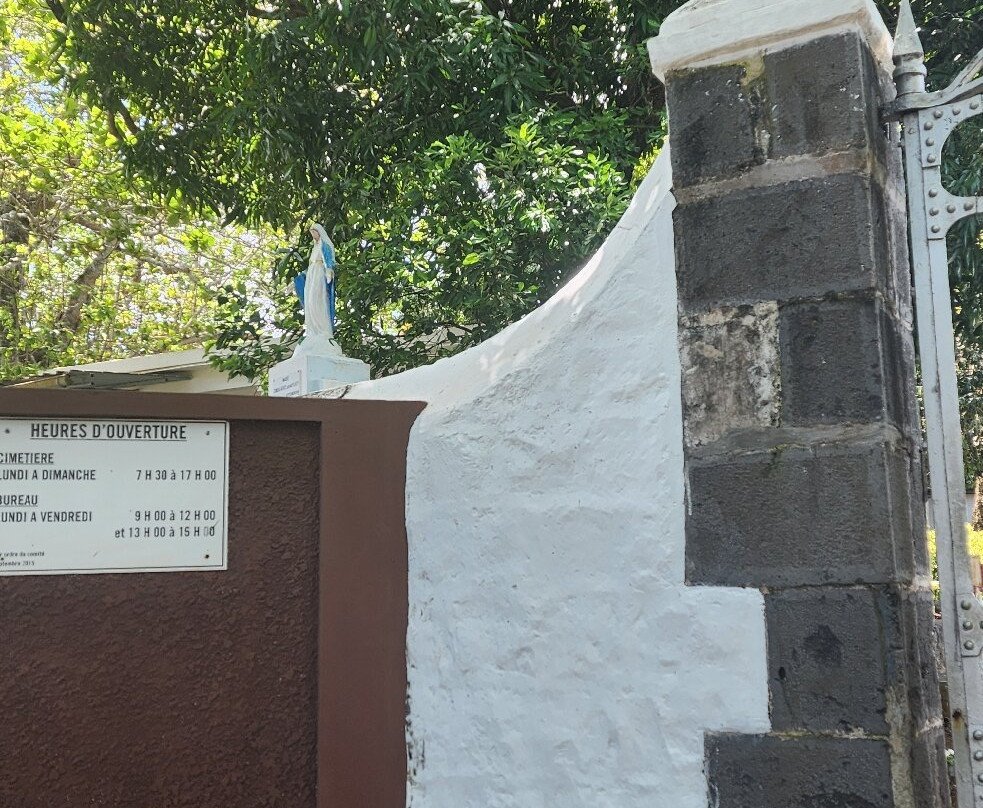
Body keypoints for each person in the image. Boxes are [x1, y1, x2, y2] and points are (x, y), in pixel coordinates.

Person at [294, 224, 336, 345]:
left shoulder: (324, 246)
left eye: (314, 232)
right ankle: (313, 330)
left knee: (318, 300)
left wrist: (329, 271)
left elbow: (328, 260)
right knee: (310, 301)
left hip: (319, 274)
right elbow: (309, 266)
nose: (313, 235)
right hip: (311, 275)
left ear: (319, 232)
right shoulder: (314, 248)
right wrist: (296, 281)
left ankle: (322, 329)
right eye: (311, 233)